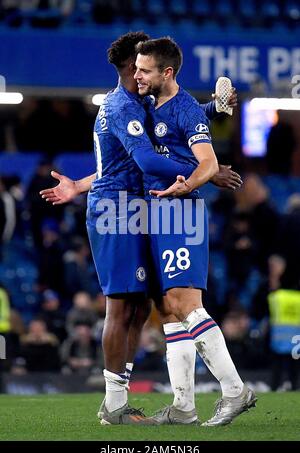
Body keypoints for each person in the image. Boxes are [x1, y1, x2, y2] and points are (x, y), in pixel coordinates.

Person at [40, 32, 242, 425]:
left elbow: (170, 124)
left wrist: (213, 109)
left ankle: (178, 406)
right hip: (116, 210)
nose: (145, 71)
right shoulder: (119, 107)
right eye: (141, 66)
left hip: (139, 205)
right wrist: (205, 172)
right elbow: (148, 161)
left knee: (150, 305)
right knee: (122, 307)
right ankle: (114, 404)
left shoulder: (141, 103)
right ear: (131, 68)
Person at [134, 37, 257, 426]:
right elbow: (178, 131)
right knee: (168, 310)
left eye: (145, 70)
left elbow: (206, 161)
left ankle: (236, 391)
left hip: (179, 212)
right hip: (158, 212)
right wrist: (215, 108)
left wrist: (188, 183)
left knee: (188, 306)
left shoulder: (184, 108)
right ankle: (184, 406)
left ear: (166, 73)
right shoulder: (156, 104)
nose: (136, 75)